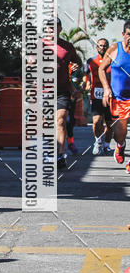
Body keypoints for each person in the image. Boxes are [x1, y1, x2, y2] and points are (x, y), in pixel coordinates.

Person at [47, 18, 81, 171]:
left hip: (62, 90)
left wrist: (75, 66)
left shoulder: (67, 47)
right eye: (49, 28)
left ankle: (60, 155)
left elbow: (77, 63)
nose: (51, 30)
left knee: (60, 120)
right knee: (47, 123)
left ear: (60, 29)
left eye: (54, 27)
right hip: (44, 90)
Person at [99, 21, 130, 170]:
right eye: (129, 34)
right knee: (120, 133)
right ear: (123, 35)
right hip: (119, 99)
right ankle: (120, 145)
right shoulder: (114, 49)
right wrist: (106, 88)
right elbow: (101, 69)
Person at [84, 38, 113, 154]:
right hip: (96, 95)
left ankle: (106, 144)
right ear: (97, 47)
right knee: (96, 121)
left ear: (108, 47)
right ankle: (98, 141)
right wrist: (86, 82)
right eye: (100, 45)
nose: (102, 47)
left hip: (110, 95)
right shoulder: (91, 61)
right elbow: (85, 74)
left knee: (110, 124)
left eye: (105, 45)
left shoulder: (113, 61)